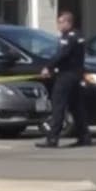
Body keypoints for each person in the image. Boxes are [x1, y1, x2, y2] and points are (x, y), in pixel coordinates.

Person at [37, 11, 91, 148]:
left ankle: (52, 138)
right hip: (76, 76)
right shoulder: (79, 35)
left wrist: (48, 67)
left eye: (60, 22)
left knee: (58, 106)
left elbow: (62, 55)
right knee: (77, 107)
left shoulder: (69, 37)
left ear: (68, 22)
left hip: (66, 76)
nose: (58, 25)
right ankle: (84, 137)